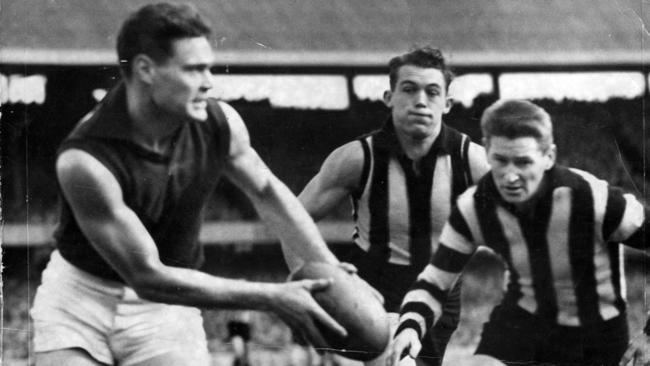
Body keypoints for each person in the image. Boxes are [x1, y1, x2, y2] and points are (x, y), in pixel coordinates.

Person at [30, 3, 350, 365]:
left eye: (209, 67)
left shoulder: (220, 123)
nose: (209, 82)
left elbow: (267, 192)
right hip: (82, 302)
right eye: (194, 69)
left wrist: (332, 270)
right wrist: (272, 296)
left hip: (166, 310)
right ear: (145, 70)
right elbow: (148, 276)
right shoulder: (85, 161)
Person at [387, 99, 650, 366]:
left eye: (523, 162)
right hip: (523, 321)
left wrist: (649, 335)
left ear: (548, 157)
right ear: (487, 153)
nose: (511, 177)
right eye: (501, 161)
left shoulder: (592, 199)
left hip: (594, 332)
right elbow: (436, 280)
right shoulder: (476, 206)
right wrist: (410, 325)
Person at [299, 46, 490, 365]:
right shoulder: (357, 158)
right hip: (370, 286)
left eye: (432, 92)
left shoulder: (472, 161)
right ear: (389, 97)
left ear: (447, 104)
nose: (420, 101)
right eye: (409, 89)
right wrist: (308, 277)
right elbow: (295, 219)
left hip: (439, 290)